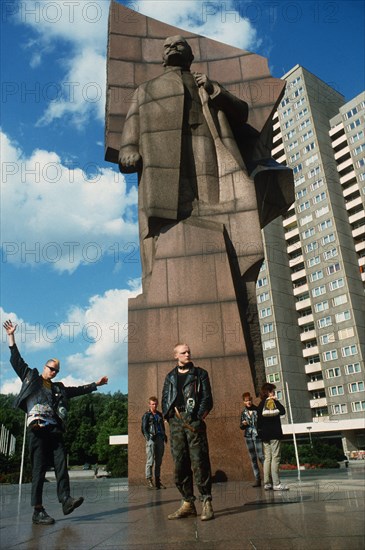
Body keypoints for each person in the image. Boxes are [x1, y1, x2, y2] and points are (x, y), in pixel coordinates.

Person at [119, 35, 293, 290]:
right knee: (171, 205)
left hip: (204, 141)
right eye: (167, 46)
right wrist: (129, 148)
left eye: (179, 45)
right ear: (162, 57)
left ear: (190, 56)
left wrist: (214, 90)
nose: (172, 48)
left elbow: (242, 112)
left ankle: (212, 232)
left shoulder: (205, 84)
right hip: (161, 155)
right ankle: (173, 245)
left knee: (210, 200)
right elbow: (132, 122)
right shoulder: (146, 89)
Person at [3, 319, 109, 524]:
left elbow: (76, 390)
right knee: (39, 469)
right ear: (45, 366)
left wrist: (96, 384)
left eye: (56, 370)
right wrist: (11, 336)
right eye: (51, 368)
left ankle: (66, 500)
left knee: (61, 464)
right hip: (36, 428)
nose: (53, 372)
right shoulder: (30, 376)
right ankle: (38, 510)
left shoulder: (58, 387)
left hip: (53, 429)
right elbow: (16, 359)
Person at [162, 343, 214, 521]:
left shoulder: (200, 374)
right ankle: (187, 503)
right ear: (175, 355)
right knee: (180, 463)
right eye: (183, 352)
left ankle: (206, 501)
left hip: (193, 420)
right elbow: (165, 399)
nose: (187, 354)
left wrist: (198, 417)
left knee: (199, 461)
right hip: (176, 421)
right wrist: (169, 417)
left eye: (188, 351)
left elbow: (207, 399)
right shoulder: (170, 377)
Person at [257, 383, 289, 491]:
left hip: (265, 436)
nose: (274, 393)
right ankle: (276, 483)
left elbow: (259, 422)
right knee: (276, 457)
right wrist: (275, 400)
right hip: (274, 434)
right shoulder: (273, 402)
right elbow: (283, 411)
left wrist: (261, 434)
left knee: (267, 458)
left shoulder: (260, 404)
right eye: (273, 391)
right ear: (269, 392)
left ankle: (267, 483)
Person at [141, 396, 167, 489]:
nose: (154, 406)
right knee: (150, 460)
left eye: (156, 404)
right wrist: (148, 437)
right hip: (151, 438)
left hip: (160, 438)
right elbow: (143, 428)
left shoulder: (159, 414)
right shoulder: (146, 415)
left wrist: (164, 436)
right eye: (152, 404)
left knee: (158, 461)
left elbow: (162, 426)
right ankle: (149, 480)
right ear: (149, 404)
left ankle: (157, 481)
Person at [240, 392, 264, 487]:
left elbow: (262, 423)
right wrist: (243, 424)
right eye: (246, 401)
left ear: (252, 400)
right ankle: (257, 479)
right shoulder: (243, 412)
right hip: (248, 436)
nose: (248, 402)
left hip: (257, 435)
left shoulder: (257, 410)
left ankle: (267, 478)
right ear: (243, 402)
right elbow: (241, 426)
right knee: (253, 458)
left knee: (261, 456)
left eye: (249, 400)